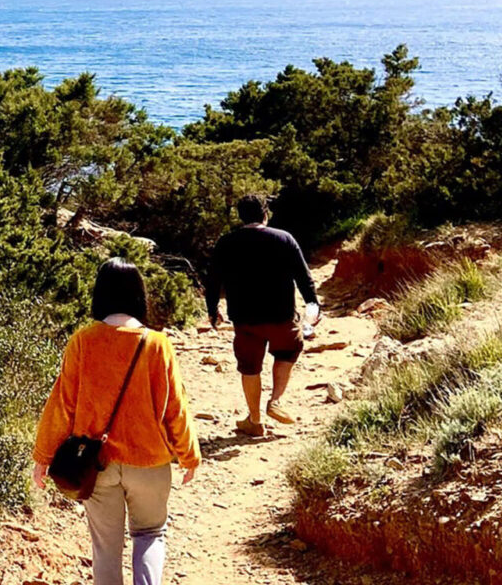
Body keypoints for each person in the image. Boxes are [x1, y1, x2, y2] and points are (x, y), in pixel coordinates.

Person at [32, 258, 201, 585]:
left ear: (100, 294)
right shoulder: (158, 345)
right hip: (150, 464)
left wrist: (43, 456)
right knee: (150, 533)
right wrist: (189, 454)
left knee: (106, 549)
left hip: (97, 465)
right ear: (138, 295)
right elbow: (175, 408)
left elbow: (63, 404)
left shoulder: (83, 341)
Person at [205, 194, 321, 437]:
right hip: (282, 315)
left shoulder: (226, 243)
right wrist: (313, 303)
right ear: (265, 214)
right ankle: (275, 400)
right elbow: (303, 276)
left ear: (240, 216)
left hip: (245, 319)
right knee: (288, 351)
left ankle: (255, 420)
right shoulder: (284, 238)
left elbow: (213, 280)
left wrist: (212, 309)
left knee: (249, 367)